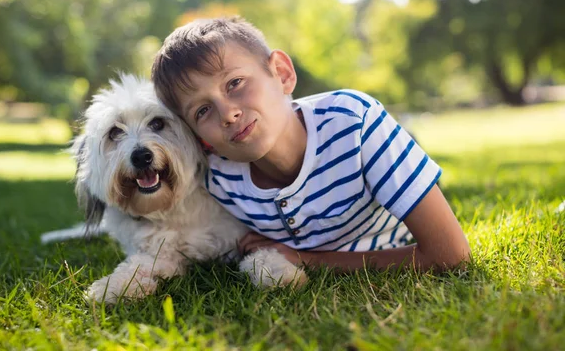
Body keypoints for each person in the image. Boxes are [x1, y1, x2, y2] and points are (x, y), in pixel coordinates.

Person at [151, 17, 470, 272]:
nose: (229, 113)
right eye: (202, 110)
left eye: (235, 83)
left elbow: (451, 255)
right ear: (197, 136)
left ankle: (415, 164)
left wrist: (310, 262)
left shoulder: (353, 123)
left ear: (282, 73)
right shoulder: (217, 177)